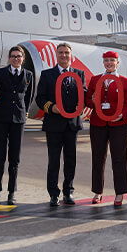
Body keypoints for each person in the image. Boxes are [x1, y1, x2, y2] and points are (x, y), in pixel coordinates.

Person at [35, 43, 86, 207]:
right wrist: (51, 107)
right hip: (54, 125)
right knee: (54, 161)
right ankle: (53, 193)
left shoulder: (79, 74)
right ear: (56, 55)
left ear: (71, 55)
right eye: (61, 53)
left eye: (66, 53)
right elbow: (40, 98)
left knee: (71, 160)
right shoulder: (47, 74)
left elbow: (83, 96)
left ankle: (68, 191)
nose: (64, 55)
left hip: (72, 125)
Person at [85, 51, 127, 206]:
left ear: (117, 62)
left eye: (112, 60)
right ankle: (97, 191)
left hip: (118, 124)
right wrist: (92, 101)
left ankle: (119, 192)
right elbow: (87, 100)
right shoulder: (95, 79)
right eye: (106, 60)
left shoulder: (125, 81)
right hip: (98, 123)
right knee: (98, 158)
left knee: (119, 158)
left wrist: (122, 114)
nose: (109, 63)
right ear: (103, 62)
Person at [0, 45, 34, 205]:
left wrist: (26, 112)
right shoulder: (0, 73)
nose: (16, 59)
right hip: (1, 118)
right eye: (13, 56)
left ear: (23, 58)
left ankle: (11, 192)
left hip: (19, 119)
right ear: (9, 58)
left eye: (19, 56)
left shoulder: (28, 74)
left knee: (15, 158)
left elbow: (29, 96)